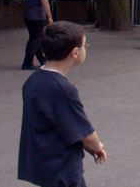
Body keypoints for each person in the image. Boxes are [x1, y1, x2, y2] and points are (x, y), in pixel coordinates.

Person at [18, 21, 107, 187]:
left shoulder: (34, 80)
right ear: (75, 52)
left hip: (44, 162)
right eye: (84, 45)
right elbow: (85, 133)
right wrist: (96, 146)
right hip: (62, 166)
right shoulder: (62, 89)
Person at [21, 0, 53, 70]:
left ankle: (42, 60)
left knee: (37, 38)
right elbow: (44, 2)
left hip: (28, 15)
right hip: (38, 16)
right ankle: (27, 63)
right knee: (35, 40)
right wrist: (49, 16)